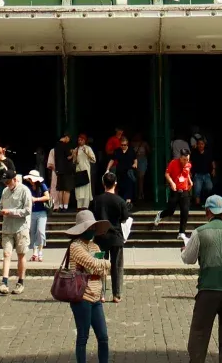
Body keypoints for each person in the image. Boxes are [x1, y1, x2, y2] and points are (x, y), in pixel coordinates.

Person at [182, 194, 222, 363]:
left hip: (207, 289)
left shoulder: (199, 232)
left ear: (207, 211)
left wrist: (185, 250)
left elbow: (188, 259)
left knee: (199, 334)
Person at [62, 208, 112, 363]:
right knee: (83, 336)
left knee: (103, 336)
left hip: (96, 296)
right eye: (90, 227)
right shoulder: (75, 246)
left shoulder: (94, 246)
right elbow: (93, 263)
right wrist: (106, 263)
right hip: (81, 296)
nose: (93, 230)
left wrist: (102, 266)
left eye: (94, 227)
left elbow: (102, 271)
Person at [88, 171, 131, 303]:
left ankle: (100, 294)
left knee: (100, 265)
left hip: (99, 237)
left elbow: (90, 217)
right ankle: (116, 294)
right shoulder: (120, 201)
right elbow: (124, 218)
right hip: (116, 237)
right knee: (117, 266)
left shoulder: (96, 200)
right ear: (115, 184)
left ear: (103, 184)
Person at [0, 167, 32, 295]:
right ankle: (4, 282)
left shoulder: (24, 190)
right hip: (7, 228)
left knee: (21, 255)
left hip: (21, 228)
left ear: (15, 179)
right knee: (6, 254)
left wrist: (10, 212)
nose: (6, 184)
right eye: (5, 182)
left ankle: (20, 282)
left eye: (8, 182)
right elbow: (1, 207)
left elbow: (27, 210)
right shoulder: (5, 191)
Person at [156, 144, 194, 240]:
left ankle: (181, 232)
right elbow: (167, 174)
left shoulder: (189, 164)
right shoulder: (173, 163)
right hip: (175, 190)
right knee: (171, 210)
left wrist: (190, 181)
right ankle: (160, 214)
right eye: (184, 159)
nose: (186, 162)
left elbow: (187, 173)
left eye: (187, 159)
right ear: (180, 158)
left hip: (185, 190)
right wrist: (172, 183)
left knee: (185, 211)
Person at [26, 168, 52, 261]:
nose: (30, 180)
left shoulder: (42, 186)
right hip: (31, 212)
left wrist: (36, 199)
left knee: (40, 232)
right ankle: (34, 253)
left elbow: (47, 197)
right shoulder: (28, 187)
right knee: (32, 232)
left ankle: (40, 252)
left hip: (41, 212)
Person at [106, 136, 137, 202]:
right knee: (121, 187)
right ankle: (122, 201)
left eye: (125, 145)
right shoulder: (117, 151)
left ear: (127, 144)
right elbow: (112, 160)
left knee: (129, 186)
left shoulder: (131, 150)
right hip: (120, 172)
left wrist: (135, 164)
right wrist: (108, 169)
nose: (123, 146)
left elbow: (135, 159)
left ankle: (128, 202)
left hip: (129, 171)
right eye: (122, 145)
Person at [72, 134, 99, 210]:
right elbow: (74, 162)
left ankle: (85, 205)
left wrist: (86, 153)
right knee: (79, 188)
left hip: (86, 170)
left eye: (81, 140)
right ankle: (79, 206)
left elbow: (94, 160)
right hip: (78, 170)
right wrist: (74, 155)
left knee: (86, 187)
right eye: (79, 140)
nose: (80, 141)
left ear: (84, 140)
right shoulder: (76, 149)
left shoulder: (88, 148)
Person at [51, 132, 73, 211]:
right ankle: (65, 207)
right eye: (69, 138)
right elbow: (68, 157)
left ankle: (60, 206)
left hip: (59, 170)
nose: (69, 140)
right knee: (67, 189)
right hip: (66, 170)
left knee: (60, 189)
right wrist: (73, 153)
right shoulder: (66, 145)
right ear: (66, 137)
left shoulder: (56, 146)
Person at [191, 137, 215, 205]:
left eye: (202, 144)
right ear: (197, 144)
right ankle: (197, 204)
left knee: (209, 188)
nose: (200, 145)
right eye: (199, 144)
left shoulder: (208, 152)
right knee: (197, 190)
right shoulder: (194, 153)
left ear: (204, 145)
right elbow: (190, 162)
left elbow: (212, 161)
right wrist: (189, 171)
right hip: (197, 174)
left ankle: (206, 201)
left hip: (206, 174)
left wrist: (214, 169)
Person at [133, 135, 150, 199]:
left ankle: (140, 193)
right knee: (135, 178)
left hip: (142, 161)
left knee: (141, 178)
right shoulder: (132, 143)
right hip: (135, 160)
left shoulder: (144, 143)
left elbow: (149, 151)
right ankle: (136, 194)